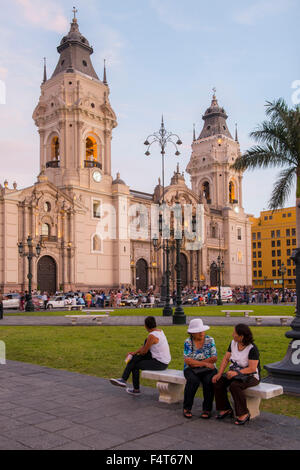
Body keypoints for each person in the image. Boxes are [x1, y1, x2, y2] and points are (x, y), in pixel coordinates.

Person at [212, 324, 260, 425]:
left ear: (241, 336)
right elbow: (226, 359)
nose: (232, 334)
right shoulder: (233, 343)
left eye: (234, 333)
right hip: (234, 373)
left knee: (235, 386)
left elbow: (252, 368)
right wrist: (219, 373)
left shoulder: (252, 348)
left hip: (251, 376)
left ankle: (244, 413)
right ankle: (225, 409)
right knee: (218, 381)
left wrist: (236, 373)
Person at [110, 316, 171, 395]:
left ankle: (132, 386)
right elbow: (145, 347)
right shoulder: (160, 331)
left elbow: (144, 352)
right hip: (161, 360)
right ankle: (124, 380)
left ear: (145, 326)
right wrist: (134, 353)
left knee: (134, 365)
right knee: (134, 358)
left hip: (160, 363)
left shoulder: (152, 336)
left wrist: (136, 354)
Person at [183, 319, 218, 419]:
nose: (201, 333)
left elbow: (214, 358)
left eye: (202, 330)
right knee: (193, 381)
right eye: (198, 331)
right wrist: (205, 363)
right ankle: (187, 408)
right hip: (191, 369)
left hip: (209, 369)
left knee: (208, 381)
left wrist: (197, 363)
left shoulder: (210, 340)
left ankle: (207, 409)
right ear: (192, 333)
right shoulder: (188, 342)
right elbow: (188, 361)